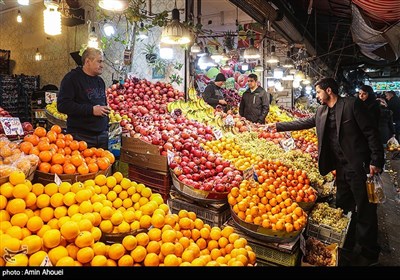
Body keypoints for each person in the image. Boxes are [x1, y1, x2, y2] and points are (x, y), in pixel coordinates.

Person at [267, 77, 384, 266]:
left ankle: (369, 253)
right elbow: (305, 122)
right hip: (340, 169)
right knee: (343, 207)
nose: (316, 95)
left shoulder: (351, 105)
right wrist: (278, 126)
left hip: (359, 166)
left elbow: (371, 132)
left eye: (318, 92)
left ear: (329, 91)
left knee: (365, 209)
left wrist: (376, 159)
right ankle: (347, 245)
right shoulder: (321, 111)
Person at [57, 47, 110, 150]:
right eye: (99, 61)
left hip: (102, 136)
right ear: (87, 61)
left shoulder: (100, 81)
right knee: (83, 166)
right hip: (81, 137)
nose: (102, 65)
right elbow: (63, 105)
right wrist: (91, 110)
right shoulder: (72, 79)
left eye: (103, 62)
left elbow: (101, 104)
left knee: (104, 166)